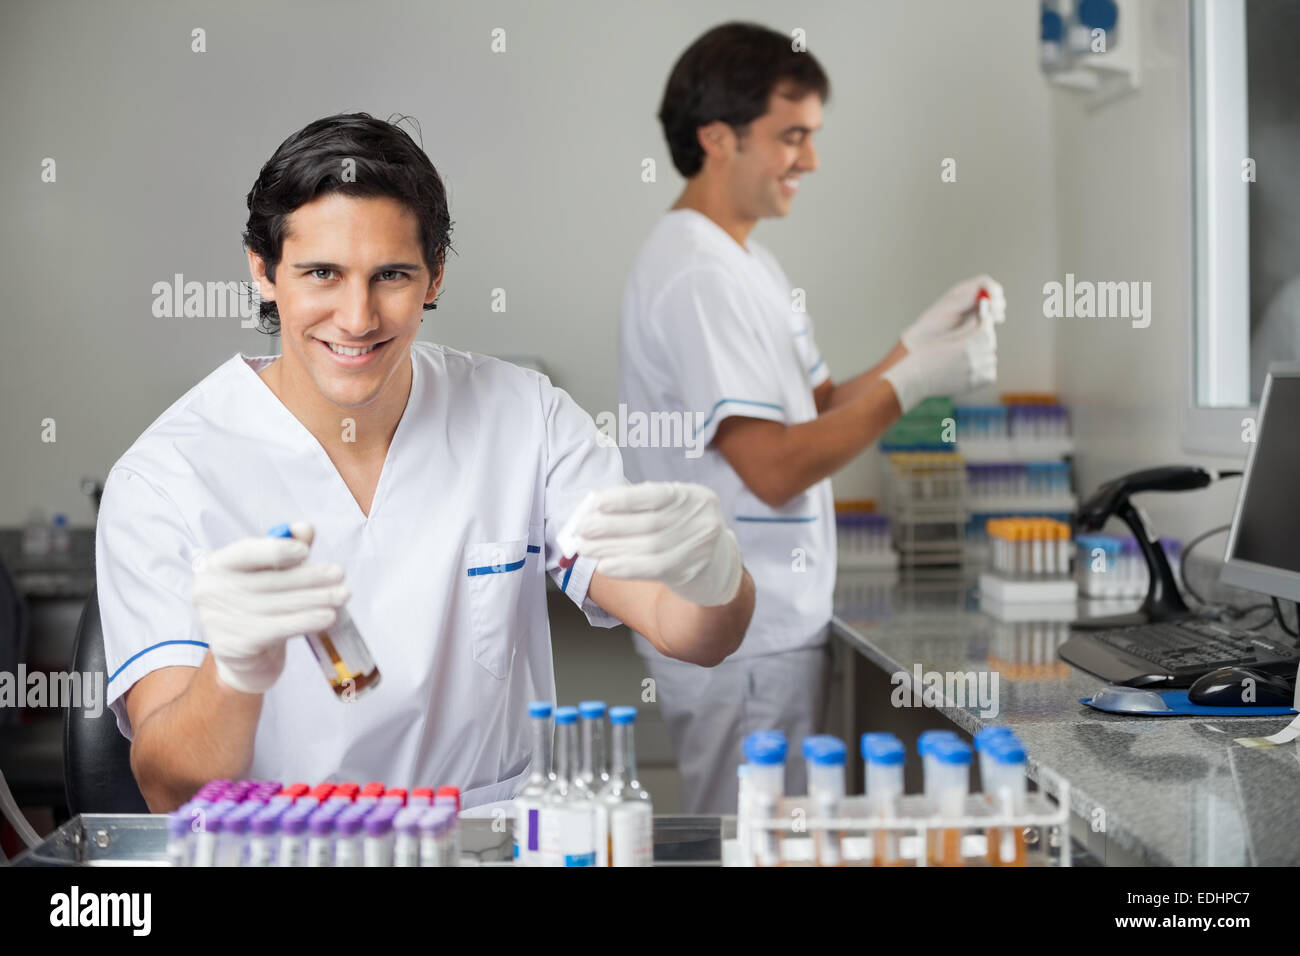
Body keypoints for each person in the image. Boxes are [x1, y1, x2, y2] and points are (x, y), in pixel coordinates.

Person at [98, 113, 755, 813]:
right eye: (322, 273)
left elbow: (692, 634)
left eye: (391, 276)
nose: (356, 317)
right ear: (263, 271)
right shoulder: (165, 478)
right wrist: (233, 672)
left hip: (487, 847)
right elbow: (168, 787)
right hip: (285, 856)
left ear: (434, 275)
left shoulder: (521, 417)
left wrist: (713, 571)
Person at [616, 23, 1002, 813]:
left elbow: (818, 408)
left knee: (775, 838)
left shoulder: (746, 261)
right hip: (741, 636)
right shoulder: (697, 275)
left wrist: (918, 344)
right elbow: (773, 464)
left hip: (768, 628)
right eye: (792, 137)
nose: (811, 161)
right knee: (757, 845)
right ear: (717, 137)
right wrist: (918, 381)